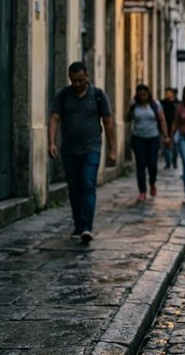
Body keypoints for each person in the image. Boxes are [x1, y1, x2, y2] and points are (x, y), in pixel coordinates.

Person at [47, 61, 117, 244]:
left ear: (87, 76)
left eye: (80, 80)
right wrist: (51, 143)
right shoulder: (63, 95)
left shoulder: (98, 96)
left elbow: (108, 123)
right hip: (69, 151)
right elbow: (54, 118)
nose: (77, 84)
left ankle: (87, 226)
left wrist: (113, 149)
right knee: (74, 189)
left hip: (91, 149)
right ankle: (79, 224)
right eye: (73, 80)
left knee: (87, 184)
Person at [126, 84, 169, 201]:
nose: (142, 97)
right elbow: (128, 119)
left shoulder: (155, 104)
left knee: (152, 164)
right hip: (138, 138)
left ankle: (152, 182)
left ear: (148, 94)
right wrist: (131, 107)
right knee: (140, 165)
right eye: (140, 95)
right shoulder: (135, 105)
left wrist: (165, 135)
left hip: (153, 138)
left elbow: (162, 119)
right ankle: (142, 191)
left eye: (144, 95)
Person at [160, 87, 180, 169]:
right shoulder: (162, 103)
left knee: (175, 145)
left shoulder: (178, 103)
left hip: (176, 128)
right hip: (165, 127)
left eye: (168, 93)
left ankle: (174, 161)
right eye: (166, 93)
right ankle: (168, 163)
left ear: (172, 94)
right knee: (165, 146)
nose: (167, 95)